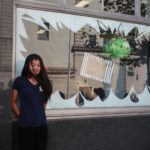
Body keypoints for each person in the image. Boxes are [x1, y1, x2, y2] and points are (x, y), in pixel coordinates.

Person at [12, 53, 52, 150]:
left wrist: (39, 115)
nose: (35, 68)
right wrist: (21, 115)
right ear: (27, 65)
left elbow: (44, 102)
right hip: (25, 127)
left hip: (42, 126)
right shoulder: (20, 81)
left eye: (38, 65)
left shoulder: (44, 83)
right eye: (32, 65)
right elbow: (13, 102)